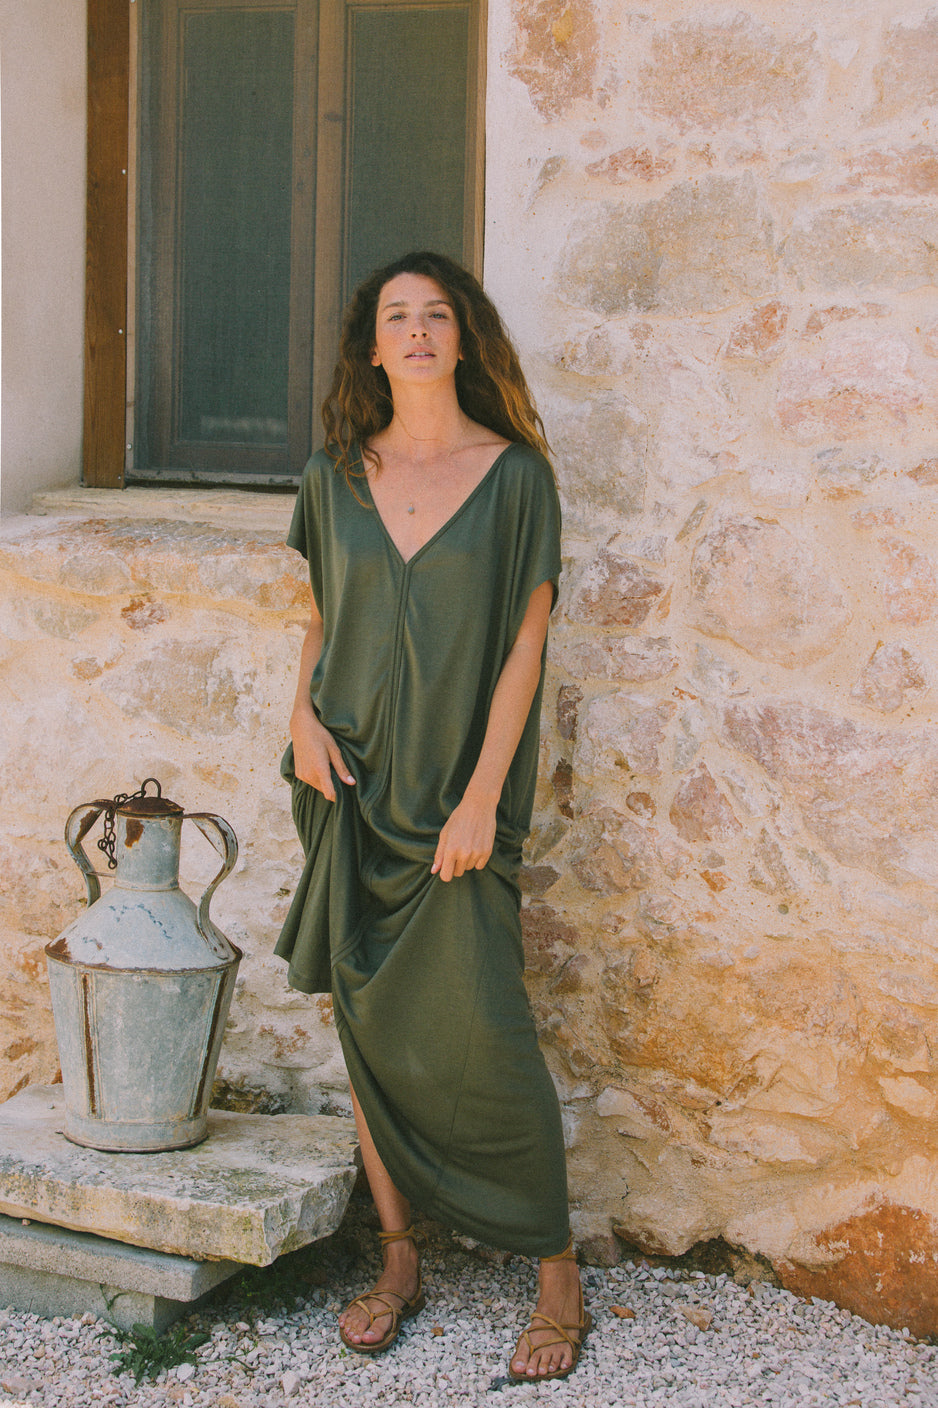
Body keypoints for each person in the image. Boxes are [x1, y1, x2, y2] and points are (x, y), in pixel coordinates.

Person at [274, 251, 589, 1382]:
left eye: (434, 316)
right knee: (363, 1023)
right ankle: (398, 1260)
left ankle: (556, 1273)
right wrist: (300, 719)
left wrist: (480, 796)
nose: (414, 332)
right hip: (348, 785)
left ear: (464, 340)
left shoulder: (515, 480)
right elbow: (318, 615)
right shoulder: (332, 476)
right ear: (372, 346)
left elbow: (523, 648)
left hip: (455, 804)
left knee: (488, 1033)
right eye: (394, 317)